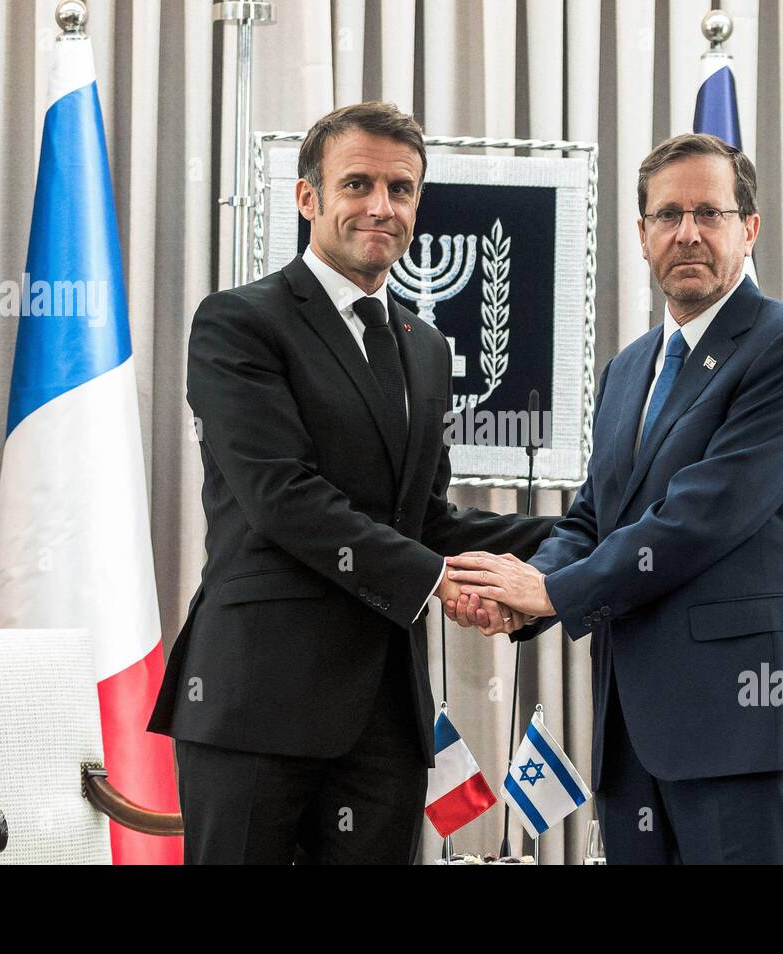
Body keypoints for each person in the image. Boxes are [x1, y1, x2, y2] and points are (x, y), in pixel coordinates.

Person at [147, 101, 553, 865]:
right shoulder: (240, 322)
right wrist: (439, 581)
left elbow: (422, 519)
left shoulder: (425, 345)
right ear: (309, 198)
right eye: (358, 183)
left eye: (401, 190)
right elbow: (283, 498)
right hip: (255, 703)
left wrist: (581, 543)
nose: (381, 207)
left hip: (384, 720)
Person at [446, 133, 783, 864]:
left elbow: (703, 517)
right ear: (641, 236)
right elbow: (593, 517)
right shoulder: (627, 368)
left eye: (710, 212)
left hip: (745, 722)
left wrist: (548, 591)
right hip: (633, 727)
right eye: (668, 215)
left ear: (749, 228)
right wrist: (523, 591)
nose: (689, 233)